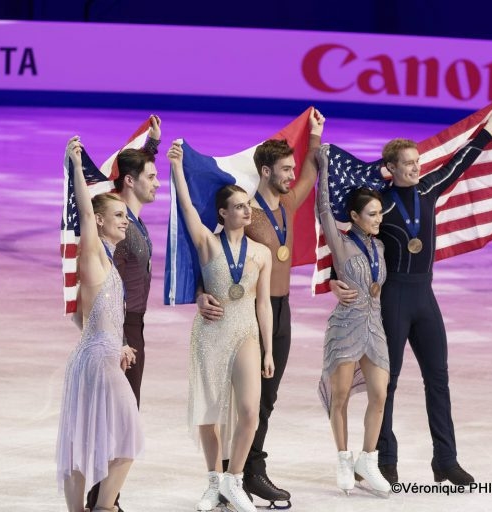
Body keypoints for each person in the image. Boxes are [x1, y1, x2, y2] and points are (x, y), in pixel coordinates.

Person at [331, 105, 492, 485]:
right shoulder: (379, 204)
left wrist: (488, 129)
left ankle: (445, 459)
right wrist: (334, 279)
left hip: (424, 296)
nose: (415, 167)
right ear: (390, 168)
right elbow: (351, 241)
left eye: (416, 161)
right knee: (387, 381)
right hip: (393, 297)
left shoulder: (428, 189)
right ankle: (384, 459)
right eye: (408, 163)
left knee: (438, 378)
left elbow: (459, 164)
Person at [196, 108, 324, 507]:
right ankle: (240, 471)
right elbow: (211, 251)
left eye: (290, 168)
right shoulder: (245, 210)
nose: (290, 175)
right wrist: (201, 291)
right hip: (249, 312)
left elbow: (309, 177)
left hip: (282, 310)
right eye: (283, 169)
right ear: (265, 171)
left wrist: (315, 137)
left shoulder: (287, 204)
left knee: (267, 397)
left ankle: (248, 467)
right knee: (242, 400)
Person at [168, 141, 275, 512]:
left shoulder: (261, 254)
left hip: (246, 331)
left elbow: (263, 303)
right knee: (208, 411)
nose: (247, 211)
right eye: (240, 207)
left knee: (248, 410)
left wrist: (269, 349)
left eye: (248, 205)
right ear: (223, 213)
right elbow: (185, 209)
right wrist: (178, 169)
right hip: (211, 332)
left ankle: (234, 480)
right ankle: (214, 480)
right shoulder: (208, 245)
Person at [57, 136, 143, 512]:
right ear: (101, 221)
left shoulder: (108, 262)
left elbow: (86, 317)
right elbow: (85, 210)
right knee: (127, 435)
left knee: (89, 439)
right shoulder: (93, 255)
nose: (126, 222)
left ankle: (88, 509)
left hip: (97, 357)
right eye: (120, 216)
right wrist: (76, 168)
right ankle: (103, 508)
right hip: (96, 364)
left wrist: (114, 344)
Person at [85, 114, 161, 512]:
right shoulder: (118, 225)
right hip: (122, 324)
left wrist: (150, 147)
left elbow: (131, 179)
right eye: (151, 175)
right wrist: (118, 337)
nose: (157, 182)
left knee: (121, 415)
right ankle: (103, 502)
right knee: (120, 418)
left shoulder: (130, 220)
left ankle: (106, 499)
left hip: (132, 323)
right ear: (130, 181)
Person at [315, 146, 391, 498]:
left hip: (374, 327)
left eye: (379, 213)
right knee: (341, 397)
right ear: (356, 217)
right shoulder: (341, 243)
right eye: (372, 214)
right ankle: (343, 458)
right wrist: (324, 167)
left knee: (380, 393)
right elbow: (323, 210)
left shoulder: (380, 248)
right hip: (345, 327)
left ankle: (367, 459)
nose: (378, 219)